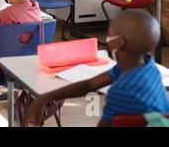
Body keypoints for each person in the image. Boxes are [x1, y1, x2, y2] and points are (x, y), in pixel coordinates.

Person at [23, 10, 169, 127]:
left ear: (117, 43)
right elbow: (90, 84)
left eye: (109, 35)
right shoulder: (146, 67)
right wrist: (44, 97)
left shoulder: (122, 91)